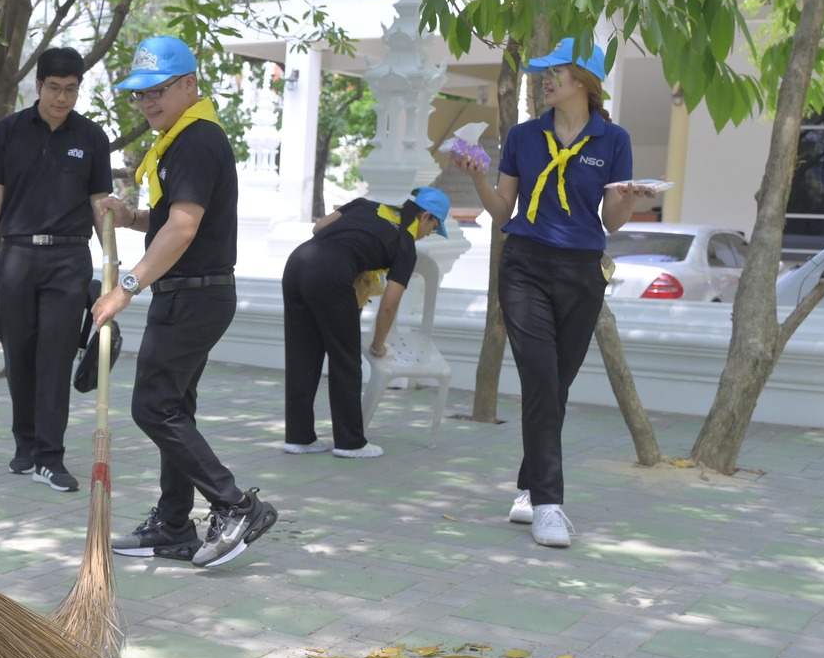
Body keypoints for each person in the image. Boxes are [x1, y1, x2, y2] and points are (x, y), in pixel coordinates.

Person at [450, 38, 655, 548]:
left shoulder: (614, 141)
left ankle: (527, 487)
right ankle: (549, 505)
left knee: (556, 386)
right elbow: (502, 213)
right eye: (542, 73)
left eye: (555, 73)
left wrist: (628, 201)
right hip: (525, 266)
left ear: (583, 82)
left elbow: (609, 221)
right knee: (541, 380)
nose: (544, 79)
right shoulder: (523, 136)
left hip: (582, 271)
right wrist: (477, 177)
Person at [90, 35, 276, 568]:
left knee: (153, 406)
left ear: (189, 84)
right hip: (191, 293)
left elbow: (187, 227)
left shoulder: (195, 140)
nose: (147, 103)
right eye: (139, 95)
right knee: (174, 407)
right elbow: (176, 218)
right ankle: (173, 526)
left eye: (157, 91)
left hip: (195, 295)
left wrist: (126, 286)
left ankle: (236, 505)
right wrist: (131, 218)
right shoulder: (182, 139)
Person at [0, 47, 112, 491]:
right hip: (18, 256)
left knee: (56, 358)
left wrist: (113, 269)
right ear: (39, 86)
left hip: (69, 260)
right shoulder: (8, 132)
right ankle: (25, 446)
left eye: (71, 89)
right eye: (55, 88)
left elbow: (99, 204)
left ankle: (50, 456)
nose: (62, 98)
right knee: (19, 353)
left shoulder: (93, 138)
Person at [282, 186, 451, 459]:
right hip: (332, 273)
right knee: (345, 360)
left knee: (303, 354)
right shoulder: (405, 244)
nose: (430, 232)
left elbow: (319, 227)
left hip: (297, 263)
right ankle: (350, 443)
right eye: (434, 226)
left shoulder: (365, 205)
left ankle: (299, 438)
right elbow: (389, 304)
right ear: (425, 216)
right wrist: (378, 344)